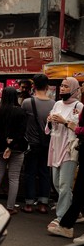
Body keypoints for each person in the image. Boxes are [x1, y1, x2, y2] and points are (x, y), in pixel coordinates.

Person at [46, 77, 83, 228]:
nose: (62, 88)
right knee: (56, 183)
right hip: (55, 146)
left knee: (64, 185)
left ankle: (61, 217)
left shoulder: (79, 106)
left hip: (69, 148)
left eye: (66, 86)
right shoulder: (57, 104)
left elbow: (78, 128)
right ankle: (75, 212)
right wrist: (50, 120)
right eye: (61, 85)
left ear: (74, 89)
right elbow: (48, 128)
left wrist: (64, 121)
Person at [0, 86, 27, 215]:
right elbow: (21, 132)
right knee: (14, 178)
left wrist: (4, 142)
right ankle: (10, 207)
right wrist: (11, 145)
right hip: (17, 148)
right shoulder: (21, 112)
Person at [21, 74, 55, 214]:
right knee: (44, 173)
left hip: (31, 144)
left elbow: (22, 122)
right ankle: (43, 204)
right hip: (47, 143)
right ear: (47, 87)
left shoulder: (27, 103)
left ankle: (28, 204)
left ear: (33, 85)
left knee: (29, 173)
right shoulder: (54, 104)